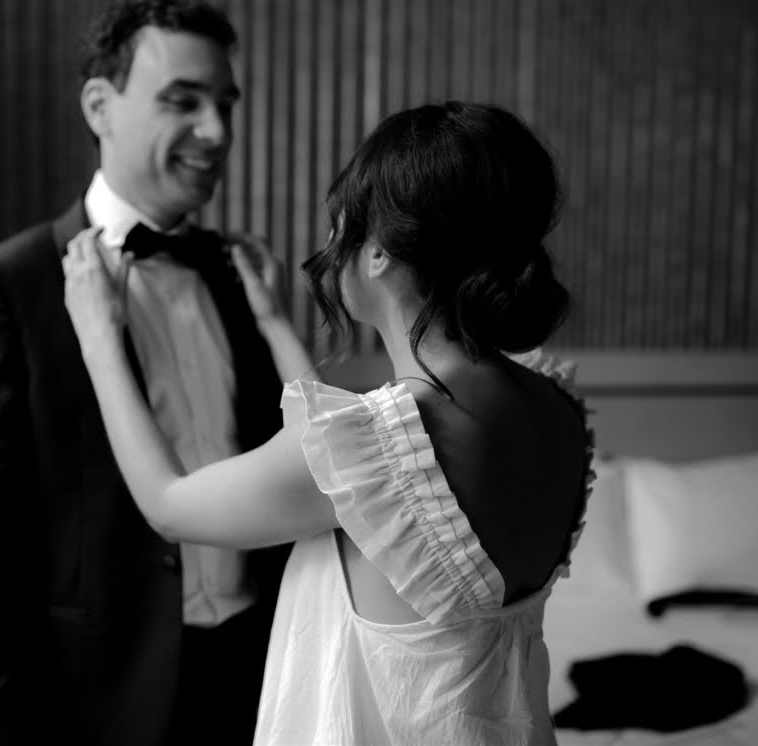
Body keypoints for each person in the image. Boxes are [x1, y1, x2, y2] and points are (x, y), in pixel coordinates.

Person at [62, 101, 596, 745]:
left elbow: (170, 505)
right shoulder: (555, 407)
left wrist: (99, 337)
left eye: (339, 223)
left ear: (378, 254)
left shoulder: (387, 442)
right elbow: (348, 470)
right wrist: (272, 323)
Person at [0, 2, 290, 745]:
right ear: (99, 105)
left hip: (257, 679)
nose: (217, 132)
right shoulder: (8, 287)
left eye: (224, 104)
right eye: (182, 101)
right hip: (92, 701)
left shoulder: (242, 276)